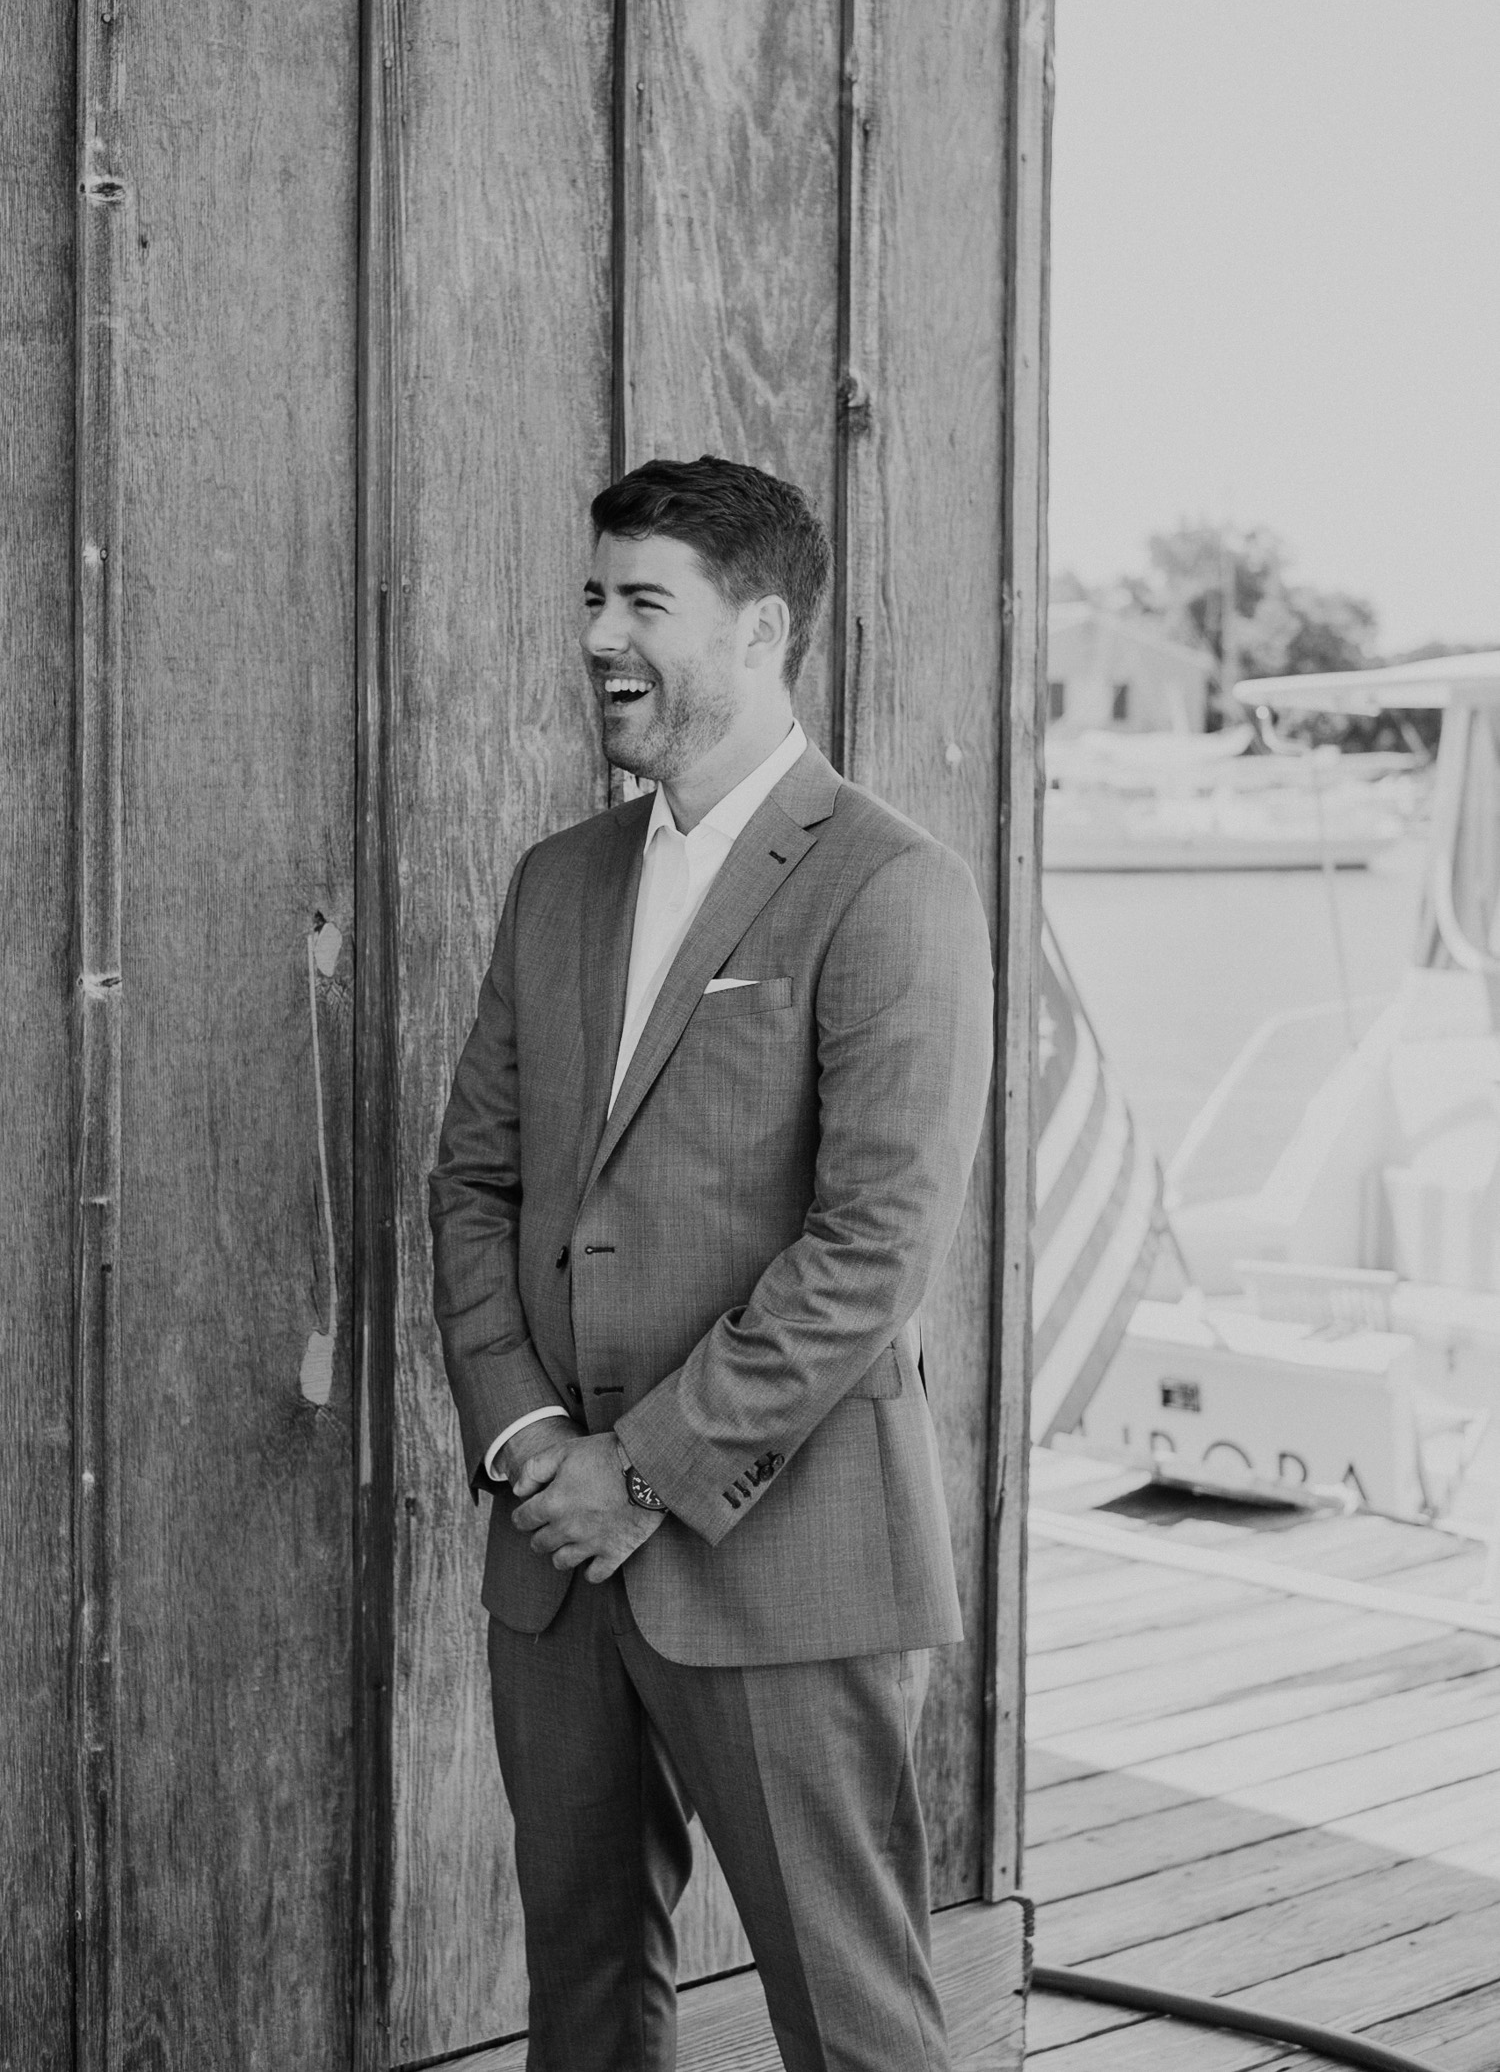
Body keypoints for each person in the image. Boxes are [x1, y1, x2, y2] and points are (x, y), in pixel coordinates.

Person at [429, 454, 994, 2072]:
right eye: (592, 595)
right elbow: (472, 1180)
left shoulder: (891, 885)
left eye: (642, 601)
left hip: (780, 1556)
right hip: (553, 1553)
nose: (599, 631)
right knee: (588, 2005)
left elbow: (874, 1245)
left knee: (856, 2022)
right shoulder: (559, 879)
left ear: (758, 629)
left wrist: (646, 1468)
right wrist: (536, 1442)